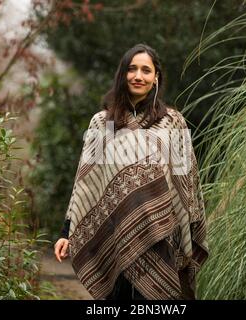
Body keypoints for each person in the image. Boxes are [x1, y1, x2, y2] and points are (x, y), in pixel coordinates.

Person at [54, 43, 209, 300]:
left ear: (156, 77)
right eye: (132, 69)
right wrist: (66, 232)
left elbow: (187, 179)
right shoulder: (102, 123)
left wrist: (189, 231)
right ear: (122, 75)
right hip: (115, 235)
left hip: (162, 236)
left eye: (146, 70)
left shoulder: (173, 122)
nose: (138, 76)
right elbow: (85, 184)